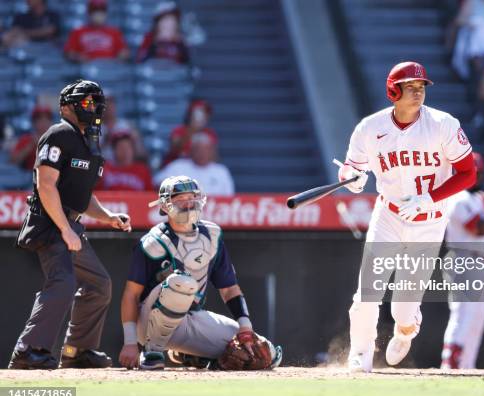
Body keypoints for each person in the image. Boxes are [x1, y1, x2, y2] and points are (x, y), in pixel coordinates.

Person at [339, 61, 476, 373]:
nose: (418, 93)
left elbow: (468, 174)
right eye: (411, 87)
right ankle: (360, 355)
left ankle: (407, 327)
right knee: (367, 292)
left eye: (422, 87)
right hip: (388, 215)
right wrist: (352, 177)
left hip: (429, 221)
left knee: (402, 310)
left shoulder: (443, 124)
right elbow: (350, 166)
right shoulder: (370, 128)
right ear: (393, 91)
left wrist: (429, 199)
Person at [9, 79, 132, 370]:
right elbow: (46, 185)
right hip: (51, 223)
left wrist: (109, 217)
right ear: (66, 107)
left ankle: (78, 350)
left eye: (96, 102)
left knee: (99, 284)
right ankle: (28, 351)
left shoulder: (90, 142)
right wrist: (65, 229)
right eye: (88, 102)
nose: (95, 107)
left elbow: (82, 197)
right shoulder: (58, 133)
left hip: (70, 225)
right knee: (63, 282)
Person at [118, 176, 282, 370]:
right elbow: (131, 294)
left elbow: (229, 289)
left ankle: (188, 354)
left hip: (192, 317)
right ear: (164, 205)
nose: (188, 204)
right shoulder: (153, 241)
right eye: (180, 199)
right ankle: (153, 351)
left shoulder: (211, 236)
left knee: (262, 353)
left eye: (192, 198)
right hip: (148, 323)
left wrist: (245, 327)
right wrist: (130, 343)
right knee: (182, 282)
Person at [440, 153, 484, 369]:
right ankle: (450, 365)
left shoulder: (475, 198)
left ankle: (466, 366)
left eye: (477, 173)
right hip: (463, 258)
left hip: (478, 260)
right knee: (463, 314)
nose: (476, 177)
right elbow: (478, 228)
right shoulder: (456, 197)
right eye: (472, 172)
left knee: (478, 316)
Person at [155, 132, 234, 196]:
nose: (202, 153)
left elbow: (229, 198)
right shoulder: (178, 166)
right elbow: (158, 184)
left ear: (212, 151)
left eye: (206, 149)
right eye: (198, 149)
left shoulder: (221, 171)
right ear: (191, 150)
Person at [64, 0, 129, 62]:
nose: (98, 14)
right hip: (86, 69)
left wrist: (120, 57)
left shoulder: (114, 32)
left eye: (101, 11)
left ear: (106, 13)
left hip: (109, 68)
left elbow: (124, 52)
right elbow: (69, 53)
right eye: (94, 11)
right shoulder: (78, 32)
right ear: (89, 13)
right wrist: (78, 57)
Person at [164, 99, 215, 165]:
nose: (204, 116)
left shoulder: (209, 133)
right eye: (200, 113)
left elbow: (213, 159)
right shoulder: (178, 131)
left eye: (206, 113)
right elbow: (175, 150)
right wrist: (192, 129)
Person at [10, 105, 54, 170]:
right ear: (33, 123)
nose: (44, 123)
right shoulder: (26, 139)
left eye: (47, 119)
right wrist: (31, 145)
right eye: (39, 120)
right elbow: (12, 162)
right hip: (29, 177)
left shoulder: (59, 139)